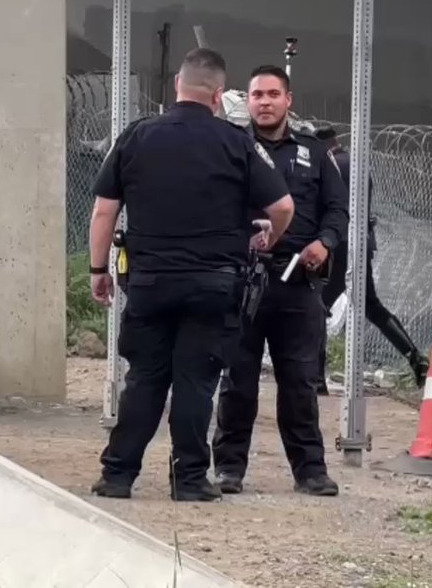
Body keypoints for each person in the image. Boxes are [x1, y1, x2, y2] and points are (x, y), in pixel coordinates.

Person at [88, 48, 295, 502]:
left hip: (149, 282)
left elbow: (105, 210)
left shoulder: (137, 135)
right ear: (218, 94)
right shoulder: (236, 143)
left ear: (177, 86)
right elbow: (282, 207)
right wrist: (266, 237)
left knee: (144, 378)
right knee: (196, 383)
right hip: (213, 285)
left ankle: (118, 475)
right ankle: (190, 480)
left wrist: (98, 269)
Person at [211, 65, 349, 498]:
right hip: (244, 280)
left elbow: (337, 210)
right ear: (247, 102)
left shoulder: (314, 153)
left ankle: (310, 471)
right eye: (257, 95)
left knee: (300, 382)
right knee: (237, 380)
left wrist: (325, 243)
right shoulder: (232, 147)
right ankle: (228, 469)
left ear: (288, 99)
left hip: (299, 282)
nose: (265, 102)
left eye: (273, 94)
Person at [314, 128, 430, 394]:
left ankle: (316, 379)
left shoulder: (329, 165)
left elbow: (326, 206)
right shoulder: (355, 164)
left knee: (317, 306)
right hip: (362, 243)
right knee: (371, 305)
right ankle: (415, 356)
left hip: (338, 244)